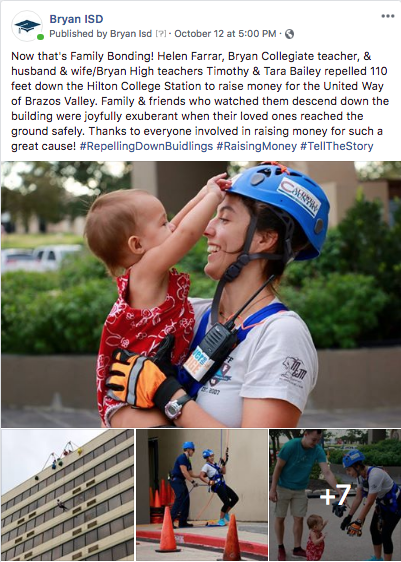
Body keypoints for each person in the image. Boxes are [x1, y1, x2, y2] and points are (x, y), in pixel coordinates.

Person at [104, 162, 330, 428]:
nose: (205, 229)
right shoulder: (187, 315)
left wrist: (168, 394)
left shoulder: (280, 334)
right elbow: (158, 250)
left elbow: (254, 451)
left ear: (264, 239)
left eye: (223, 218)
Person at [85, 173, 231, 427]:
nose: (170, 226)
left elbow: (176, 227)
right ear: (137, 244)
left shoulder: (147, 266)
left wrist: (202, 195)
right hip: (130, 396)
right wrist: (214, 198)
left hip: (144, 385)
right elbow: (185, 234)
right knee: (164, 429)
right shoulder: (148, 268)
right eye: (162, 224)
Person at [269, 430, 341, 561]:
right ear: (305, 434)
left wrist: (339, 490)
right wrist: (273, 489)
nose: (316, 443)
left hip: (300, 489)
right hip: (283, 487)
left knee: (299, 518)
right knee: (280, 517)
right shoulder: (290, 446)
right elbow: (278, 467)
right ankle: (280, 546)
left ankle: (297, 548)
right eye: (314, 439)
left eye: (318, 439)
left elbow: (327, 472)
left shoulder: (317, 450)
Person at [341, 449, 401, 562]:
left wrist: (358, 521)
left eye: (349, 470)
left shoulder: (375, 475)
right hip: (383, 503)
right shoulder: (360, 477)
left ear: (357, 466)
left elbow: (369, 502)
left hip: (396, 503)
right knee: (374, 529)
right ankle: (377, 558)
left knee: (385, 534)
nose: (348, 473)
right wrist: (349, 517)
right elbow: (358, 498)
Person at [199, 448, 238, 526]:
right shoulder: (206, 466)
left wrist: (224, 464)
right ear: (206, 458)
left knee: (235, 498)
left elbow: (224, 472)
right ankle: (221, 519)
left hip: (222, 484)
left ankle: (226, 512)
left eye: (213, 456)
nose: (212, 457)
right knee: (226, 502)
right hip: (216, 485)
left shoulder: (216, 464)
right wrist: (208, 482)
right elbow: (201, 476)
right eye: (210, 456)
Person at [169, 441, 200, 528]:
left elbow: (190, 473)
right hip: (176, 480)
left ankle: (182, 522)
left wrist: (200, 475)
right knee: (180, 499)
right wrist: (193, 482)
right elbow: (184, 471)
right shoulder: (182, 458)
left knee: (186, 500)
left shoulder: (187, 460)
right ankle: (169, 522)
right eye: (193, 450)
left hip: (181, 481)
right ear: (189, 449)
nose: (193, 452)